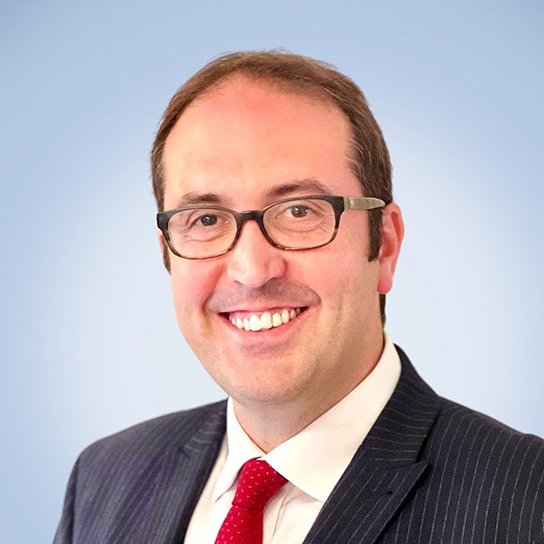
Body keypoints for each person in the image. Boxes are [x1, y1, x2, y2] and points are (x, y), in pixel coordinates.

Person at [53, 51, 544, 544]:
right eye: (206, 219)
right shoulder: (104, 477)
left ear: (385, 246)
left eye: (299, 212)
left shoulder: (527, 499)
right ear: (167, 254)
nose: (252, 271)